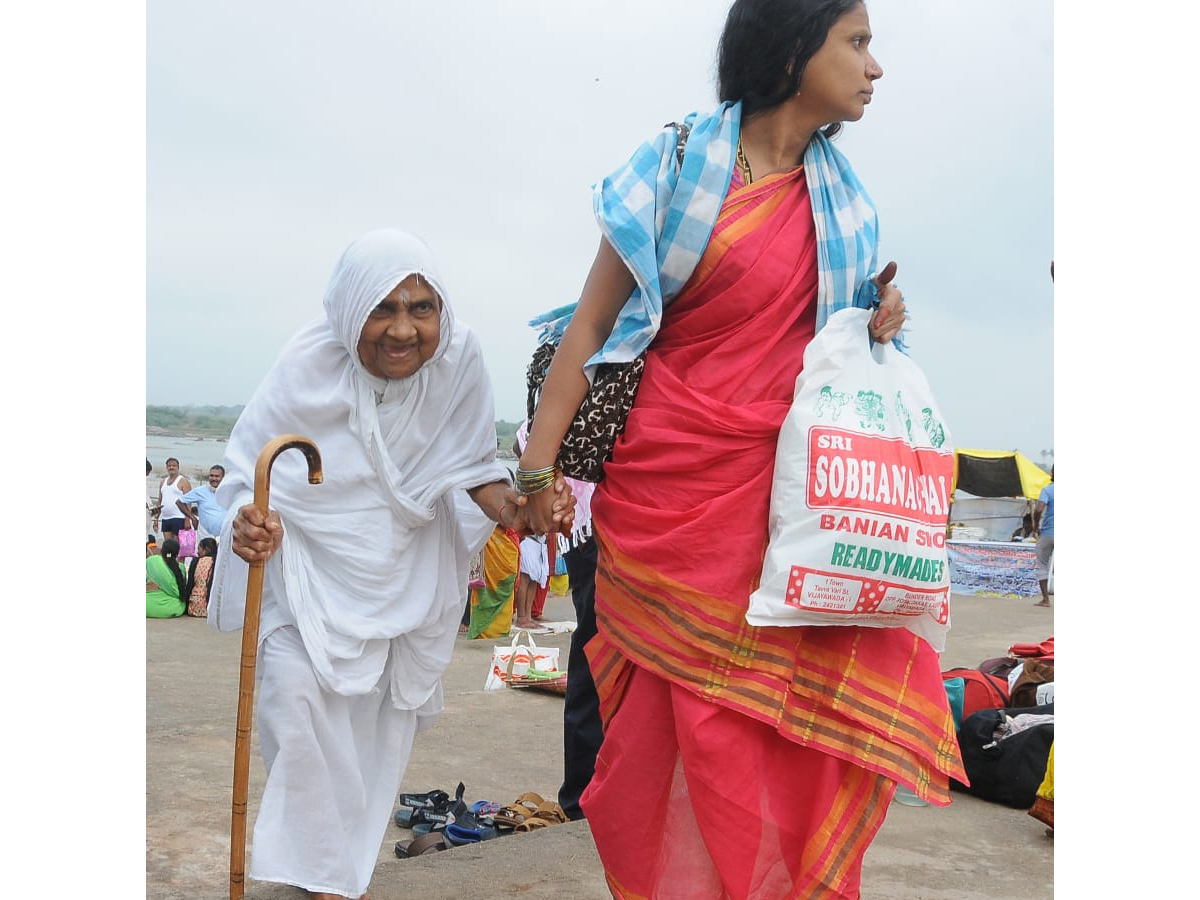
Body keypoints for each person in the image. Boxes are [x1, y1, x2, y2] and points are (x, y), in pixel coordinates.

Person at [519, 3, 965, 896]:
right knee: (679, 739)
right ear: (794, 43)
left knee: (777, 741)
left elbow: (836, 363)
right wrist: (538, 470)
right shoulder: (677, 169)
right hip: (672, 506)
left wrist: (878, 323)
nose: (875, 68)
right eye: (858, 42)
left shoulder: (847, 206)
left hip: (788, 519)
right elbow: (592, 328)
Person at [207, 228, 573, 900]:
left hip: (405, 572)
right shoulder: (305, 365)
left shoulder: (459, 359)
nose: (403, 330)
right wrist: (244, 526)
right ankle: (320, 869)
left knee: (374, 736)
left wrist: (519, 511)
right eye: (383, 309)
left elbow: (468, 471)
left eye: (421, 308)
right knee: (293, 704)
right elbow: (239, 479)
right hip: (306, 570)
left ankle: (334, 878)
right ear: (349, 310)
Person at [466, 522, 522, 639]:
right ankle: (483, 631)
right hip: (490, 535)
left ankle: (500, 629)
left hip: (506, 537)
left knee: (507, 581)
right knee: (484, 585)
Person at [177, 464, 228, 539]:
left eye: (217, 476)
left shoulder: (229, 491)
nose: (214, 478)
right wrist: (192, 518)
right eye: (211, 475)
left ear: (223, 477)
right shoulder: (200, 491)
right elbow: (179, 502)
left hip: (224, 535)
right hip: (205, 535)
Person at [515, 533, 549, 630]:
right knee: (524, 579)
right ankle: (521, 617)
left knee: (534, 579)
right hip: (527, 540)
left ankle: (528, 616)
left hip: (540, 543)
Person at [146, 537, 186, 618]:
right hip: (174, 607)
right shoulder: (181, 568)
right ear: (177, 553)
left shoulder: (152, 561)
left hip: (148, 605)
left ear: (162, 550)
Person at [157, 457, 192, 542]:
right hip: (165, 518)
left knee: (177, 544)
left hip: (179, 517)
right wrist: (156, 518)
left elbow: (188, 501)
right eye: (169, 466)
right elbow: (160, 500)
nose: (171, 468)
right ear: (166, 467)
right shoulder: (163, 482)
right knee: (168, 545)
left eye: (174, 466)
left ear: (178, 467)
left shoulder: (183, 481)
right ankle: (170, 556)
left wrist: (187, 519)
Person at [1033, 465, 1054, 607]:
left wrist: (1035, 525)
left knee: (1042, 563)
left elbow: (1039, 508)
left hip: (1048, 532)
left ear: (1052, 473)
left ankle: (1046, 599)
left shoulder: (1047, 490)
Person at [183, 537, 219, 617]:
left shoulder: (196, 561)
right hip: (210, 608)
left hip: (194, 607)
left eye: (199, 549)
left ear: (206, 549)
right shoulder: (217, 563)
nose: (197, 552)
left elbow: (190, 585)